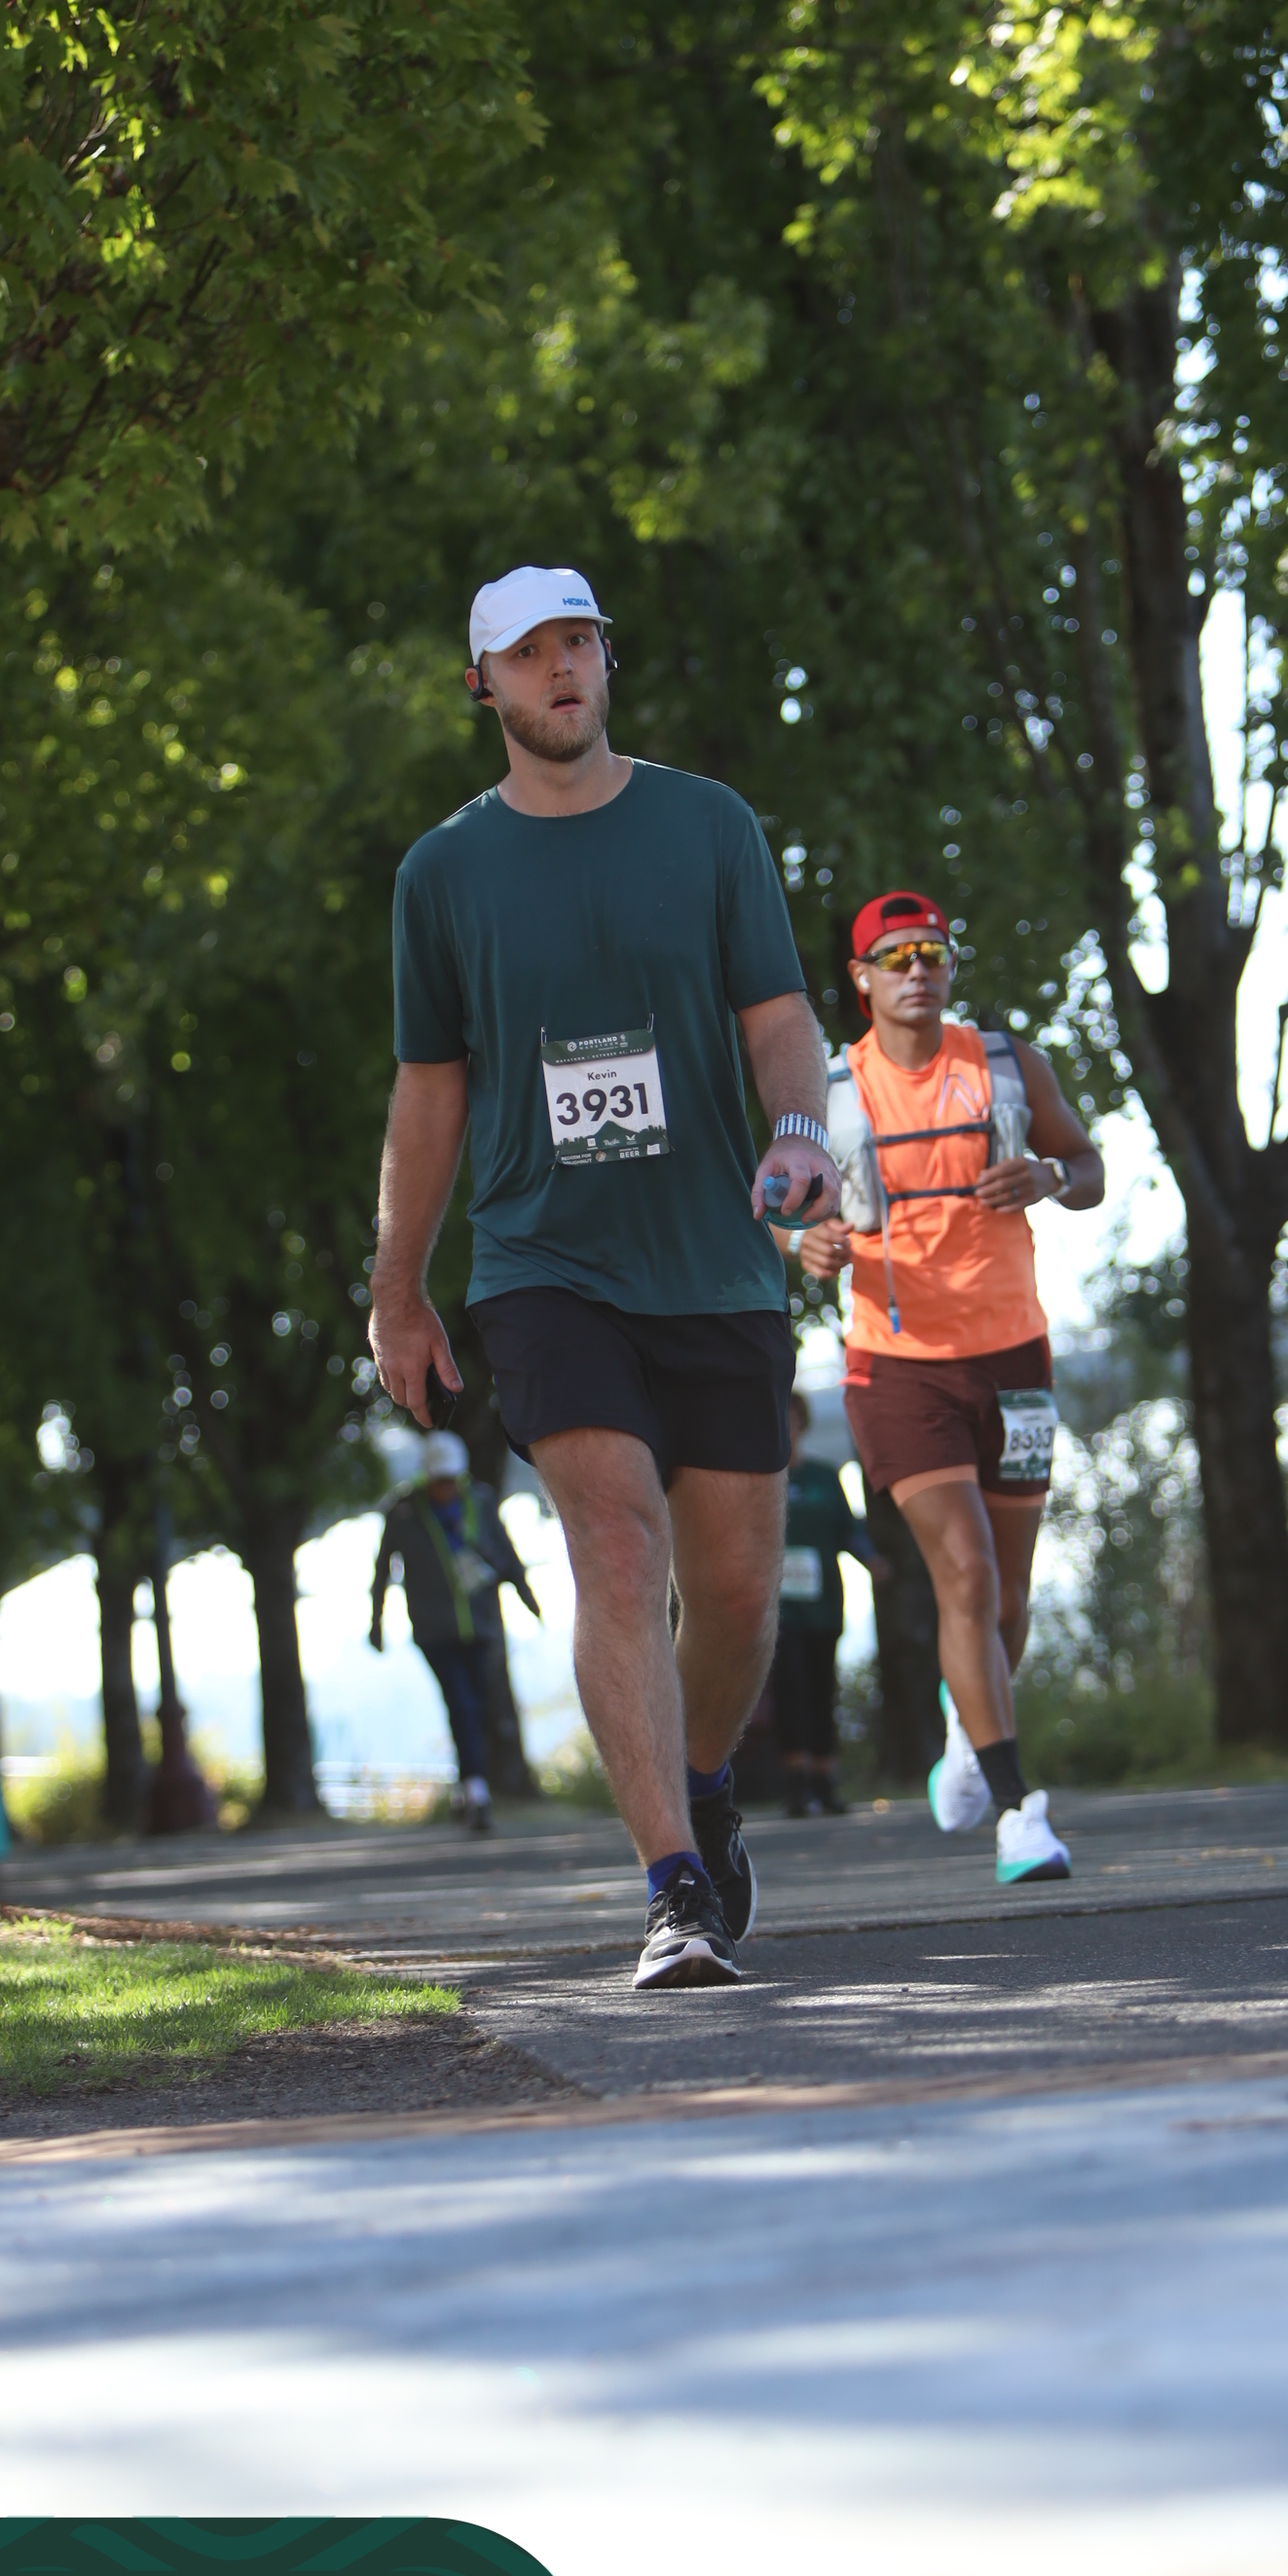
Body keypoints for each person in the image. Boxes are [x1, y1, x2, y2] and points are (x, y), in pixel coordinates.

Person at [368, 562, 839, 1991]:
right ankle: (672, 1887)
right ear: (483, 685)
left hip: (711, 1260)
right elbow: (430, 1090)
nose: (561, 668)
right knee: (618, 1549)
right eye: (529, 653)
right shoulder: (443, 872)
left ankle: (700, 1783)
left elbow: (779, 1015)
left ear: (605, 660)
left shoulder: (708, 826)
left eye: (579, 641)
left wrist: (801, 1131)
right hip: (542, 1263)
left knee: (738, 1596)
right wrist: (398, 1286)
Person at [777, 889, 1102, 1883]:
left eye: (932, 953)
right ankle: (1017, 1814)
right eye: (896, 957)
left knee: (1007, 1592)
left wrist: (1049, 1177)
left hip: (1015, 1361)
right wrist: (804, 1243)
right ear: (862, 979)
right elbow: (778, 1206)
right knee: (963, 1571)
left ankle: (969, 1732)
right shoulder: (827, 1090)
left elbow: (1087, 1166)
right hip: (896, 1366)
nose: (917, 970)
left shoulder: (1008, 1064)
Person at [369, 1430, 543, 1833]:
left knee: (475, 1706)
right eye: (439, 1480)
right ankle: (476, 1791)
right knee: (461, 1703)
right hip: (434, 1630)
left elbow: (506, 1552)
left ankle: (467, 1788)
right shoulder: (403, 1513)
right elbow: (382, 1570)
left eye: (451, 1479)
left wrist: (528, 1599)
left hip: (480, 1623)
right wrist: (376, 1622)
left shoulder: (479, 1502)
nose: (445, 1487)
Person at [772, 1391, 883, 1818]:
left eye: (793, 1417)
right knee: (791, 1688)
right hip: (777, 1609)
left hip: (823, 1604)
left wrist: (872, 1560)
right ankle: (796, 1786)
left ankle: (825, 1780)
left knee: (822, 1687)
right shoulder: (760, 1478)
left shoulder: (824, 1477)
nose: (786, 1425)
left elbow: (847, 1529)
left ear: (803, 1424)